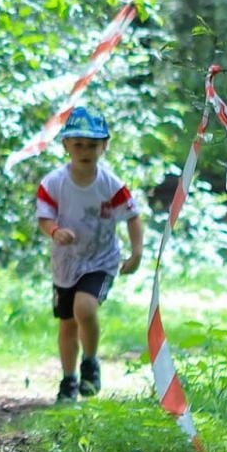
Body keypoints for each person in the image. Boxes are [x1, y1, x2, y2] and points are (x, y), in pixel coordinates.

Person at [35, 107, 144, 403]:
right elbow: (44, 217)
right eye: (78, 144)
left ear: (104, 146)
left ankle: (90, 362)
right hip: (66, 264)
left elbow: (133, 216)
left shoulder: (110, 184)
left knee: (84, 308)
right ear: (66, 145)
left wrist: (136, 252)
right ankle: (69, 380)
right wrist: (55, 231)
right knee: (67, 323)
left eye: (92, 145)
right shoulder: (53, 183)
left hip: (101, 260)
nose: (85, 151)